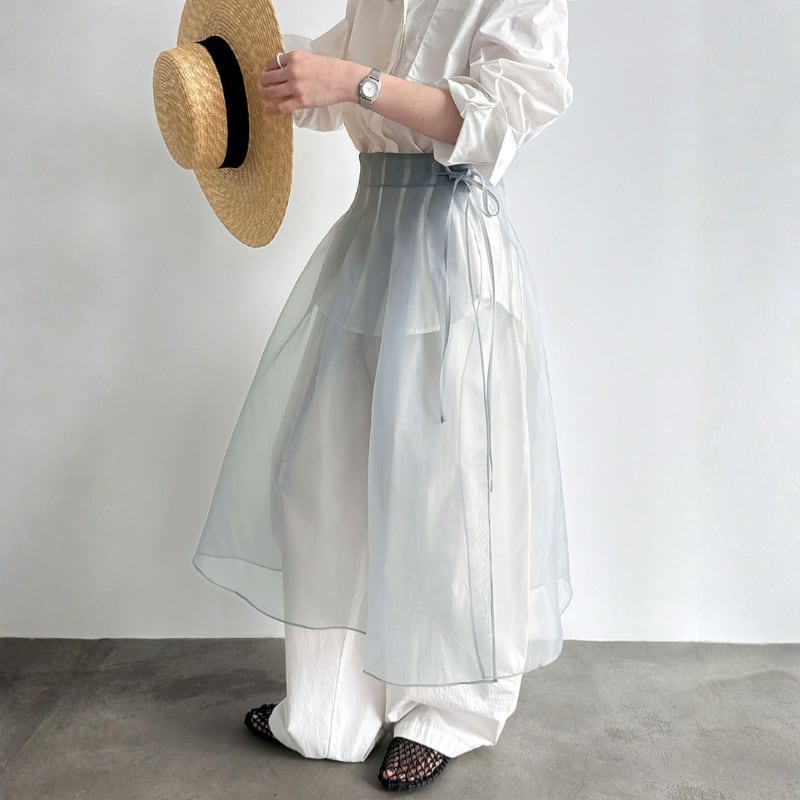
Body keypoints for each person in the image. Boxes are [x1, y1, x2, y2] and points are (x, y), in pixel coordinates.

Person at [191, 0, 575, 792]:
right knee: (321, 479)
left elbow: (499, 120)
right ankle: (330, 706)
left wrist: (355, 82)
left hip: (451, 246)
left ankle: (450, 709)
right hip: (372, 238)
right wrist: (256, 74)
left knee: (447, 487)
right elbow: (325, 84)